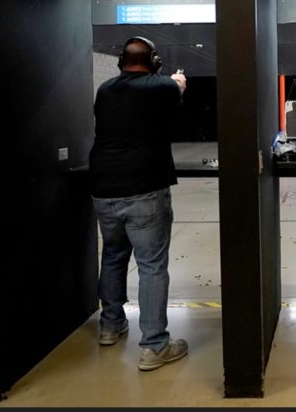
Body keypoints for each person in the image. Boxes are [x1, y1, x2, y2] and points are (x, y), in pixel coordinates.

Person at [89, 36, 189, 371]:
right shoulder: (161, 86)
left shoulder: (105, 89)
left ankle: (110, 325)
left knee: (114, 256)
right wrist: (178, 83)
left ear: (122, 62)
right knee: (152, 265)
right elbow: (174, 93)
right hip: (145, 187)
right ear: (154, 61)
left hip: (104, 187)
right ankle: (154, 345)